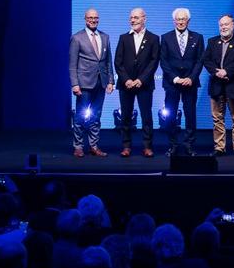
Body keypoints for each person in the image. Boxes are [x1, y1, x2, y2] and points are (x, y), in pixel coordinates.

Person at [114, 8, 161, 157]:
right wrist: (126, 79)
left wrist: (141, 79)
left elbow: (154, 61)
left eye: (136, 17)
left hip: (144, 85)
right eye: (131, 18)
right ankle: (126, 146)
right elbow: (118, 62)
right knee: (125, 117)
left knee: (146, 116)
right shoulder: (123, 38)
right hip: (126, 84)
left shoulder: (153, 38)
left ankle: (147, 146)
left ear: (144, 19)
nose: (133, 20)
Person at [68, 8, 114, 157]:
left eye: (95, 18)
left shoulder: (105, 37)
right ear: (85, 19)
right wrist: (74, 84)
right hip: (84, 84)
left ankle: (94, 146)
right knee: (80, 117)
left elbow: (108, 62)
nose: (93, 20)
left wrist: (111, 81)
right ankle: (78, 146)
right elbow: (72, 64)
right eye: (90, 18)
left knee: (96, 116)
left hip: (101, 83)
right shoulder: (77, 38)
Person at [202, 15, 234, 157]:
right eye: (221, 25)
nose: (223, 27)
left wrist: (226, 71)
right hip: (216, 85)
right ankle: (219, 147)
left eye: (226, 24)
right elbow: (206, 60)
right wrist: (216, 72)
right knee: (217, 118)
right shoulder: (212, 41)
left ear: (233, 25)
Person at [159, 8, 204, 156]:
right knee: (171, 115)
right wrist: (175, 78)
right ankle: (173, 145)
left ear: (188, 21)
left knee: (190, 114)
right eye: (178, 19)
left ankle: (189, 145)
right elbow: (163, 61)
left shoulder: (198, 38)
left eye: (183, 19)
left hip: (190, 83)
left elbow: (200, 61)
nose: (180, 22)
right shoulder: (165, 37)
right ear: (174, 21)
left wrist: (191, 78)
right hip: (172, 83)